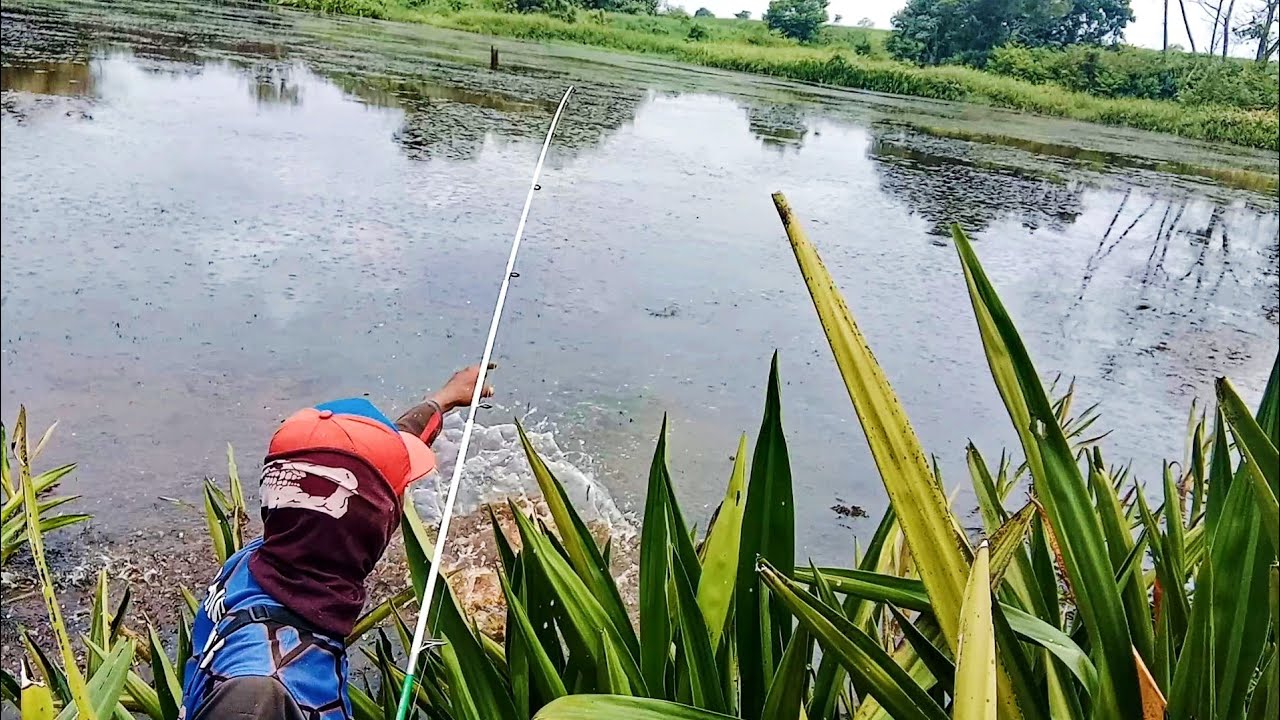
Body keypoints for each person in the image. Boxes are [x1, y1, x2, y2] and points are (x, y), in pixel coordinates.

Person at [180, 365, 495, 720]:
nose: (403, 500)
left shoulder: (265, 556)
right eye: (397, 495)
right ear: (369, 526)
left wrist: (443, 399)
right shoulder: (259, 698)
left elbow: (371, 462)